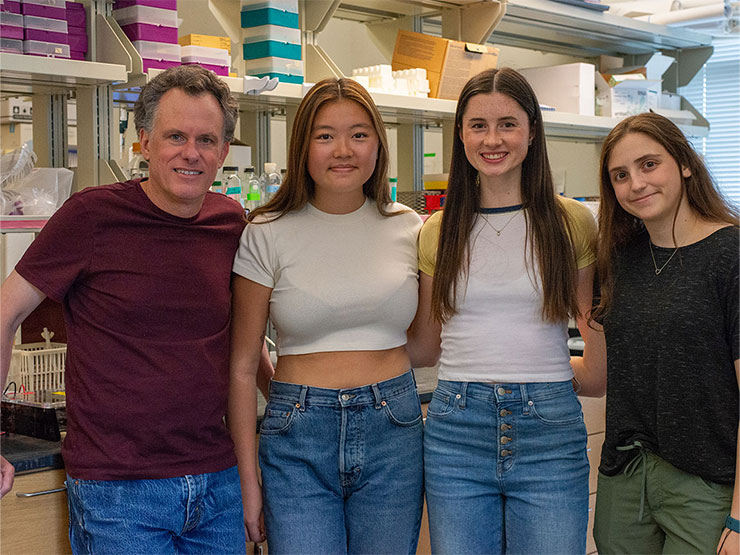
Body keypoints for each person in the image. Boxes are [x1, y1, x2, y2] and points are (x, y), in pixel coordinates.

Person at [0, 65, 272, 553]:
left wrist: (287, 407)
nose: (191, 153)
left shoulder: (232, 223)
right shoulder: (91, 216)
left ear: (224, 153)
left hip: (217, 483)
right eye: (175, 136)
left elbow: (243, 341)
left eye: (207, 140)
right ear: (144, 143)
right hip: (118, 491)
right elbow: (5, 313)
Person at [408, 67, 606, 554]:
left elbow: (595, 348)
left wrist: (548, 375)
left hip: (550, 431)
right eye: (478, 125)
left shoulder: (571, 222)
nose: (492, 139)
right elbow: (427, 346)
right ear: (460, 133)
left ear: (532, 131)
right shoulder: (437, 230)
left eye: (508, 124)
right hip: (456, 431)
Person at [227, 77, 424, 553]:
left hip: (394, 430)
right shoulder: (266, 232)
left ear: (378, 144)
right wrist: (248, 481)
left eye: (359, 134)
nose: (343, 150)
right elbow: (240, 365)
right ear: (302, 147)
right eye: (324, 135)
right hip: (296, 433)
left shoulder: (411, 228)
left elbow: (430, 340)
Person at [592, 112, 739, 555]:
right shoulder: (618, 260)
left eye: (649, 165)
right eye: (621, 175)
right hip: (625, 478)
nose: (636, 184)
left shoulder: (730, 255)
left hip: (705, 486)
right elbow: (602, 372)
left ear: (685, 164)